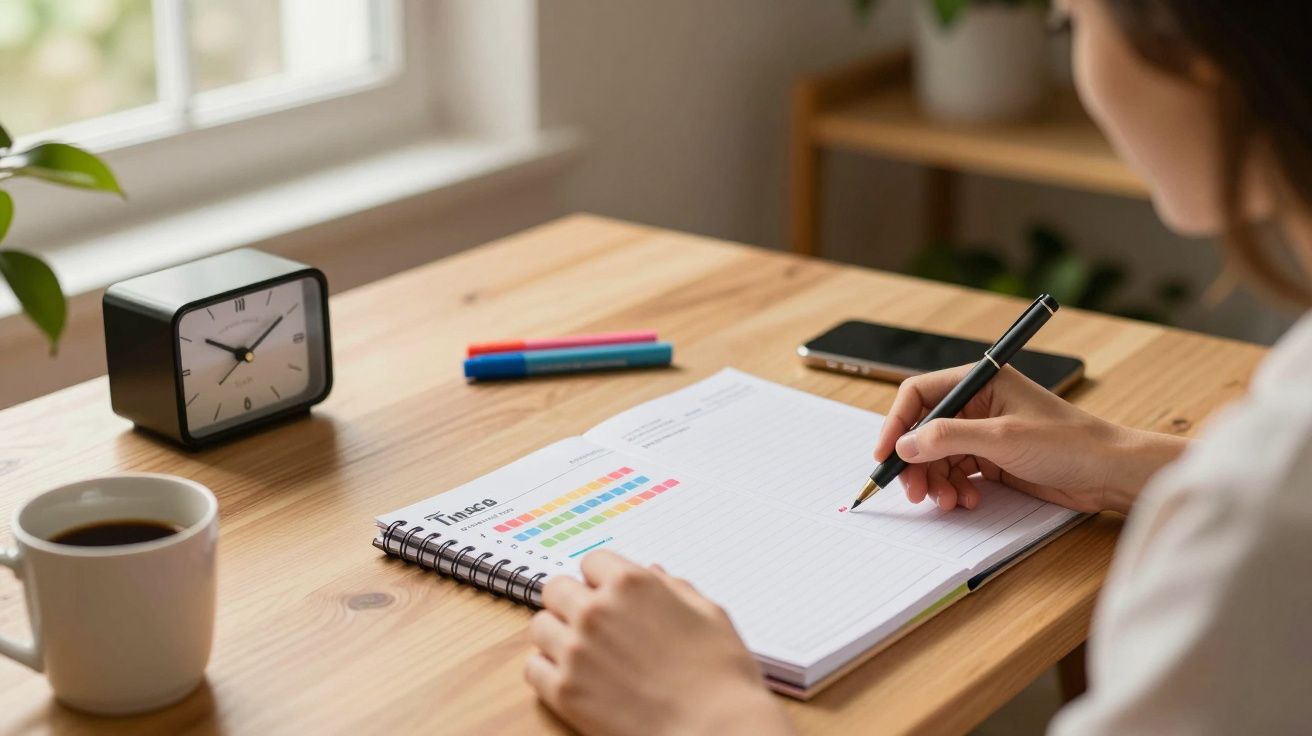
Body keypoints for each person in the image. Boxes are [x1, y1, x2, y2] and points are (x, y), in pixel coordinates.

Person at [523, 0, 1312, 733]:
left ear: (1197, 51)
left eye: (1068, 23)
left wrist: (706, 709)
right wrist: (1125, 463)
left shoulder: (1251, 523)